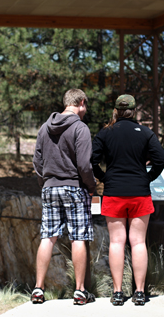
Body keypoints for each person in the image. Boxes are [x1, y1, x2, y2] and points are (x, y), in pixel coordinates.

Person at [91, 94, 164, 306]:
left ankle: (117, 292)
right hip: (139, 192)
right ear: (134, 111)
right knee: (138, 242)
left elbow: (92, 160)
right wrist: (147, 177)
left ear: (116, 110)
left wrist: (104, 177)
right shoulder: (145, 132)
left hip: (114, 192)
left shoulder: (106, 132)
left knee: (116, 242)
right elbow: (160, 159)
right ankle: (140, 292)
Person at [31, 89, 97, 306]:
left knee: (47, 237)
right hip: (74, 187)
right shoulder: (80, 128)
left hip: (50, 188)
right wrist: (91, 187)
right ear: (81, 102)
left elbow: (37, 162)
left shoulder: (44, 128)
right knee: (78, 237)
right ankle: (79, 291)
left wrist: (45, 183)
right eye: (85, 106)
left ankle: (38, 288)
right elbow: (84, 165)